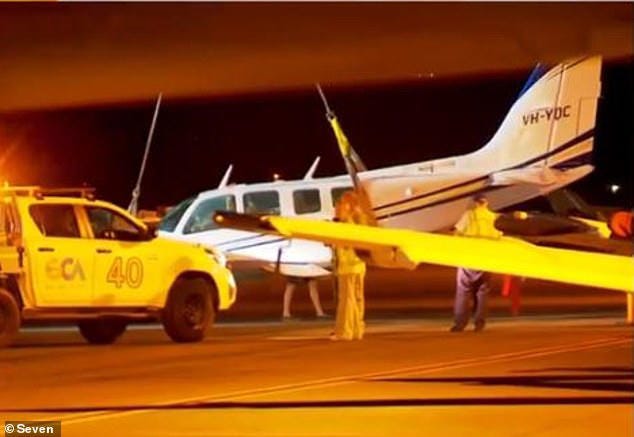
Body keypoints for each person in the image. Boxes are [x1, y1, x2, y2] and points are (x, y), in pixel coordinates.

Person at [451, 194, 502, 332]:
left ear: (475, 202)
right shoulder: (494, 218)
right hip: (486, 259)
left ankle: (460, 323)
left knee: (463, 291)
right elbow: (499, 238)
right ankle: (480, 324)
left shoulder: (469, 215)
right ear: (486, 203)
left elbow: (457, 234)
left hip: (469, 258)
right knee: (483, 292)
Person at [330, 192, 366, 341]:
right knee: (357, 298)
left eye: (340, 204)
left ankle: (345, 331)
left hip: (347, 266)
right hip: (359, 265)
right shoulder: (361, 221)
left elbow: (342, 244)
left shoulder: (345, 224)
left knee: (346, 299)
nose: (337, 208)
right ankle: (357, 329)